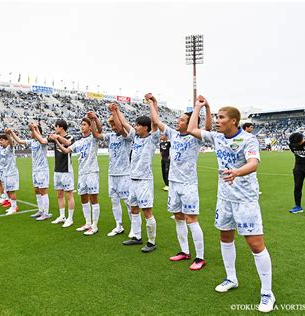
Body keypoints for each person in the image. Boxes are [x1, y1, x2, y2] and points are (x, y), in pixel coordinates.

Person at [187, 95, 275, 313]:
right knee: (225, 237)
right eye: (216, 117)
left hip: (245, 199)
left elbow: (253, 163)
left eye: (221, 117)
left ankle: (267, 292)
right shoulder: (217, 137)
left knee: (255, 244)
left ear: (234, 121)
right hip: (224, 198)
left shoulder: (248, 139)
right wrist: (200, 107)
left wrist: (237, 171)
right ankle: (231, 278)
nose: (217, 120)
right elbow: (191, 130)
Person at [149, 93, 211, 270]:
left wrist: (205, 107)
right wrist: (152, 103)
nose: (178, 121)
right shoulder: (173, 134)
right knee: (178, 217)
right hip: (174, 184)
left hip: (188, 184)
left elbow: (207, 126)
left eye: (182, 120)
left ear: (190, 123)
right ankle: (185, 251)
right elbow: (157, 120)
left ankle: (200, 257)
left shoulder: (195, 137)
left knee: (192, 219)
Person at [117, 94, 159, 253]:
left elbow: (155, 122)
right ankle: (136, 236)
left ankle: (151, 241)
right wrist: (117, 110)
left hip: (144, 180)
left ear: (145, 127)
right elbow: (124, 123)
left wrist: (152, 103)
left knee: (147, 211)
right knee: (134, 208)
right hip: (132, 179)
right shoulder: (135, 137)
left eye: (138, 125)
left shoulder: (152, 139)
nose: (135, 127)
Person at [90, 103, 133, 237]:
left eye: (115, 124)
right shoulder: (111, 136)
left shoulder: (127, 136)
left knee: (128, 202)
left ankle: (134, 227)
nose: (113, 128)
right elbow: (96, 135)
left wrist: (114, 111)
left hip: (124, 174)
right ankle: (118, 225)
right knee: (114, 201)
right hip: (112, 174)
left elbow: (121, 129)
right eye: (112, 125)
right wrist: (93, 120)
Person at [53, 117, 101, 235]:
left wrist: (94, 119)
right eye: (81, 124)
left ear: (90, 127)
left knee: (93, 199)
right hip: (82, 173)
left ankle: (94, 226)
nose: (82, 126)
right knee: (83, 198)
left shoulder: (93, 138)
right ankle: (88, 223)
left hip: (92, 172)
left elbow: (99, 130)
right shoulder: (79, 141)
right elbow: (65, 151)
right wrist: (57, 141)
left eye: (84, 124)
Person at [8, 123, 52, 221]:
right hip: (35, 170)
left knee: (43, 192)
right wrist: (11, 133)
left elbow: (41, 139)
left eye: (32, 131)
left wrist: (34, 129)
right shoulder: (32, 142)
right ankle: (40, 210)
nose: (31, 133)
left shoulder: (43, 141)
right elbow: (19, 141)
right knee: (36, 190)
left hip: (42, 170)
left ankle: (46, 213)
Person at [46, 119, 75, 227]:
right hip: (57, 170)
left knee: (69, 195)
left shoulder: (70, 137)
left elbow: (68, 143)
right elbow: (44, 141)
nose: (54, 128)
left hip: (66, 170)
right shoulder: (54, 138)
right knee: (59, 194)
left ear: (61, 127)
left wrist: (57, 137)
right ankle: (62, 216)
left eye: (55, 126)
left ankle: (70, 218)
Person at [0, 129, 19, 214]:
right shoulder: (2, 149)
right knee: (7, 191)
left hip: (11, 173)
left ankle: (14, 207)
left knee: (11, 191)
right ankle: (12, 206)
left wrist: (8, 135)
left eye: (2, 140)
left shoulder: (9, 148)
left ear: (7, 141)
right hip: (5, 173)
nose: (0, 142)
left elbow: (11, 144)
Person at [243, 122, 262, 195]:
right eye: (251, 127)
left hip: (250, 158)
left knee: (252, 176)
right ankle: (254, 191)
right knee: (251, 176)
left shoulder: (251, 136)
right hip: (247, 159)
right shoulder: (248, 137)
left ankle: (254, 190)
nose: (252, 128)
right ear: (246, 128)